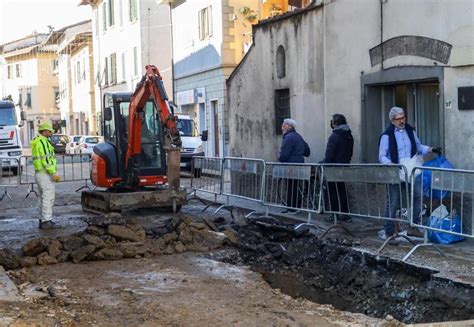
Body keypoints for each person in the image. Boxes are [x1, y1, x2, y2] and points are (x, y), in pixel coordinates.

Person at [379, 107, 441, 244]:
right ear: (392, 120)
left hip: (412, 170)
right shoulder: (387, 135)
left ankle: (413, 227)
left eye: (403, 118)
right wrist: (390, 164)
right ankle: (389, 233)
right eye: (399, 119)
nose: (402, 121)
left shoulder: (410, 131)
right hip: (396, 172)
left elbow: (418, 147)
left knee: (418, 197)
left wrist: (430, 149)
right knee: (393, 202)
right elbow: (382, 156)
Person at [320, 114, 354, 221]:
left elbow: (329, 154)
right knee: (342, 190)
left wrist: (324, 163)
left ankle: (334, 215)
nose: (331, 123)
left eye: (332, 121)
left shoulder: (335, 136)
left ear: (336, 123)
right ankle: (345, 214)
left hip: (333, 168)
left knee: (332, 192)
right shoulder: (349, 136)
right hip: (344, 166)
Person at [31, 122, 61, 229]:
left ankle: (42, 219)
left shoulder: (38, 141)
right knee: (48, 196)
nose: (51, 133)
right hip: (45, 173)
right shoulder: (43, 143)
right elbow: (47, 160)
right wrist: (53, 173)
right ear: (44, 132)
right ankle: (46, 221)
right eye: (49, 131)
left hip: (40, 172)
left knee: (42, 197)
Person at [278, 118, 311, 214]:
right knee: (296, 186)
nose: (282, 127)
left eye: (284, 125)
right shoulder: (298, 136)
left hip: (291, 166)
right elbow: (307, 152)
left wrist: (280, 159)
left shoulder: (288, 137)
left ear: (289, 126)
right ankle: (297, 207)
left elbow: (284, 155)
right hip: (300, 164)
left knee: (291, 187)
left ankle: (291, 208)